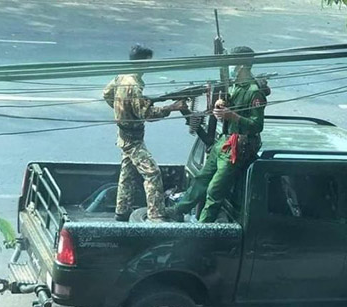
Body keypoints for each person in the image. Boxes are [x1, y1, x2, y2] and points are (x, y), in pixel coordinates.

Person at [169, 46, 267, 222]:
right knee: (201, 179)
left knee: (215, 190)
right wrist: (221, 105)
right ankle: (178, 210)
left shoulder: (254, 92)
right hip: (223, 141)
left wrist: (233, 116)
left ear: (242, 66)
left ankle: (203, 227)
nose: (230, 67)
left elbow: (257, 125)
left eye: (232, 64)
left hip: (237, 147)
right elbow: (227, 104)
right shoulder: (235, 86)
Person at [103, 44, 187, 222]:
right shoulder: (133, 86)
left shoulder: (121, 76)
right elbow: (148, 114)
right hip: (132, 138)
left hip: (124, 134)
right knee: (152, 173)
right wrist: (172, 107)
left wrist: (122, 110)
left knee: (127, 172)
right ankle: (156, 215)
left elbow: (107, 94)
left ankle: (122, 209)